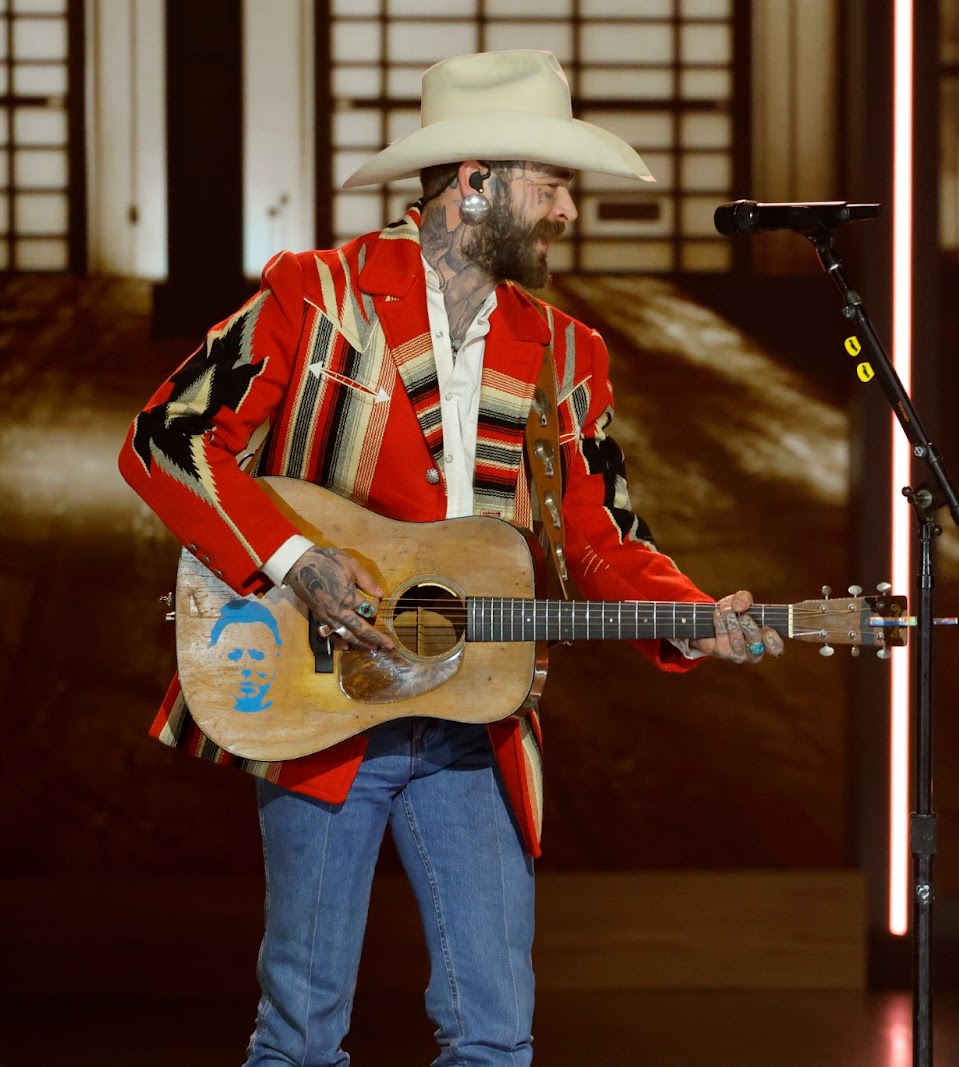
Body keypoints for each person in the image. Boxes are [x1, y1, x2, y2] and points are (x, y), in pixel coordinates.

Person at [118, 49, 783, 1067]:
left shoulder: (566, 353)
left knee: (494, 1037)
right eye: (551, 183)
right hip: (323, 704)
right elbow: (166, 436)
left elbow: (601, 536)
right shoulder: (318, 297)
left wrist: (692, 614)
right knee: (299, 1041)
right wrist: (295, 555)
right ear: (474, 183)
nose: (567, 211)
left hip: (477, 718)